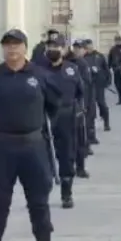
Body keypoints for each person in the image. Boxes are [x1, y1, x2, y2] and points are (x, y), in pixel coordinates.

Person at [0, 29, 60, 241]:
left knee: (38, 201)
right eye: (7, 45)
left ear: (25, 47)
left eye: (16, 44)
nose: (12, 49)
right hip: (2, 146)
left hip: (33, 146)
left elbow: (53, 106)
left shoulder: (40, 76)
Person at [39, 37, 84, 208]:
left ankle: (66, 194)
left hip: (67, 116)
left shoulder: (72, 69)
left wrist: (80, 110)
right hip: (45, 118)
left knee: (66, 155)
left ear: (64, 49)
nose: (53, 49)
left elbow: (80, 93)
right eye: (50, 46)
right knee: (42, 158)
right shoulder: (39, 70)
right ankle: (41, 193)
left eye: (56, 46)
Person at [82, 39, 110, 134]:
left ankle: (106, 122)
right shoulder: (83, 57)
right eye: (87, 47)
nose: (88, 49)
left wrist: (107, 80)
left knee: (102, 103)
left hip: (99, 84)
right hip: (88, 85)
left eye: (90, 47)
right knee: (90, 106)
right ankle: (90, 125)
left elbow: (106, 69)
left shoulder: (99, 56)